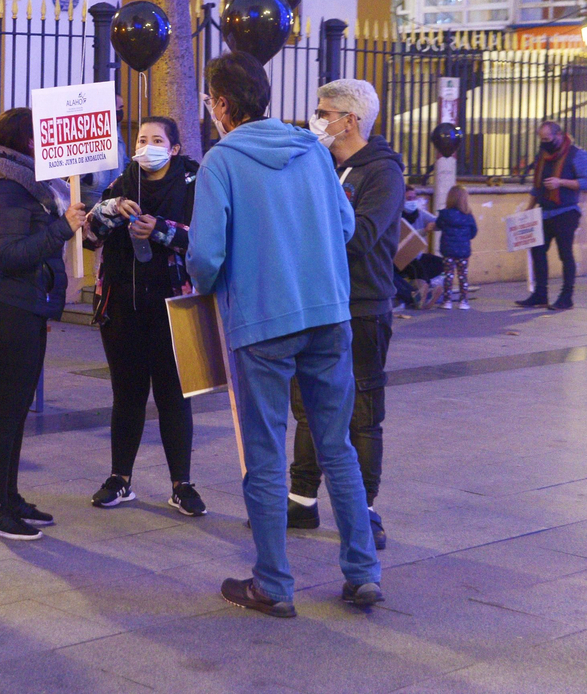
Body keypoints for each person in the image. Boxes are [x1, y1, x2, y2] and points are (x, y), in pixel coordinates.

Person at [188, 51, 381, 618]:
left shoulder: (222, 161)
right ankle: (363, 573)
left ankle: (273, 583)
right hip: (328, 314)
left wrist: (213, 282)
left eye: (211, 100)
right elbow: (345, 224)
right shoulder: (312, 150)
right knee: (336, 445)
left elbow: (205, 256)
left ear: (224, 105)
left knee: (266, 451)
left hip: (263, 321)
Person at [289, 79, 405, 551]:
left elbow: (362, 236)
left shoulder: (382, 173)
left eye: (323, 112)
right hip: (315, 303)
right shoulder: (319, 164)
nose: (315, 119)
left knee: (362, 411)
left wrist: (305, 226)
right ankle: (301, 500)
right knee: (307, 405)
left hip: (361, 307)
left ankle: (364, 510)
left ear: (349, 121)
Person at [0, 108, 87, 541]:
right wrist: (62, 228)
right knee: (5, 411)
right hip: (6, 307)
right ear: (26, 142)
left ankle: (10, 497)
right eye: (41, 136)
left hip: (25, 306)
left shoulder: (29, 184)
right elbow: (12, 255)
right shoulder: (7, 189)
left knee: (16, 409)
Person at [83, 116, 205, 516]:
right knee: (127, 394)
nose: (147, 146)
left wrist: (161, 230)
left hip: (175, 306)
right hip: (123, 306)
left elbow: (207, 241)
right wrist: (111, 209)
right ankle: (119, 478)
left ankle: (182, 484)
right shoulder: (123, 182)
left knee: (173, 395)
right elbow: (90, 236)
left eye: (157, 140)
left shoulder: (194, 183)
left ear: (174, 148)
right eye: (141, 139)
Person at [517, 121, 587, 310]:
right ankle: (540, 294)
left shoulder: (577, 155)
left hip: (566, 212)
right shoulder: (542, 156)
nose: (544, 143)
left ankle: (566, 297)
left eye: (547, 139)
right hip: (544, 211)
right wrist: (529, 208)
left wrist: (561, 182)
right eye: (541, 139)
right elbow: (537, 186)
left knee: (565, 254)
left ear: (559, 135)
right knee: (537, 250)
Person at [435, 185, 479, 309]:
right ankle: (463, 302)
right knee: (463, 276)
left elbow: (439, 225)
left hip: (448, 250)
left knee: (448, 275)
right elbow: (474, 231)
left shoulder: (444, 214)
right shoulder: (468, 216)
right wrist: (465, 238)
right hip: (463, 251)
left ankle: (447, 301)